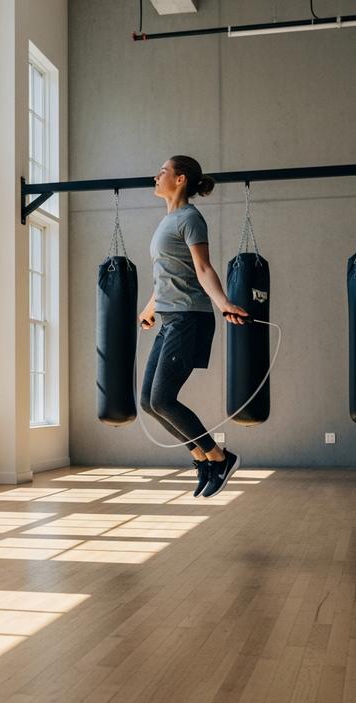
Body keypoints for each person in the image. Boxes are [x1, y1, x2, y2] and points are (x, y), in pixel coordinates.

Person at [139, 155, 248, 498]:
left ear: (180, 178)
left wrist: (224, 302)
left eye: (162, 172)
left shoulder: (190, 218)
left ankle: (220, 458)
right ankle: (202, 458)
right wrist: (150, 308)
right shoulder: (167, 221)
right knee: (148, 402)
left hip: (188, 318)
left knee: (162, 399)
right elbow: (167, 275)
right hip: (170, 318)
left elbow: (202, 269)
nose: (156, 177)